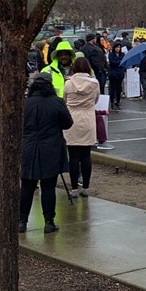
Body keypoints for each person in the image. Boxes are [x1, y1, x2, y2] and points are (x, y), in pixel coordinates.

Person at [19, 73, 73, 234]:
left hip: (28, 146)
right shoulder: (56, 102)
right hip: (51, 147)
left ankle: (22, 221)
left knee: (27, 186)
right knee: (48, 186)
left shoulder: (25, 103)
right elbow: (68, 123)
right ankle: (49, 221)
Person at [63, 57, 99, 196]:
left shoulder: (68, 83)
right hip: (88, 119)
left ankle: (73, 189)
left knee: (73, 156)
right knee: (86, 156)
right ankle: (86, 187)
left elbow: (65, 100)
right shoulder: (94, 83)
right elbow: (96, 100)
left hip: (72, 119)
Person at [107, 41, 126, 110]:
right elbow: (112, 62)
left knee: (118, 89)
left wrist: (119, 63)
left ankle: (117, 102)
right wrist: (119, 62)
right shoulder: (111, 54)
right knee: (112, 89)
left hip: (120, 74)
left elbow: (123, 63)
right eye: (116, 47)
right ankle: (112, 102)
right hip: (112, 74)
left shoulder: (122, 54)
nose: (117, 49)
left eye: (119, 47)